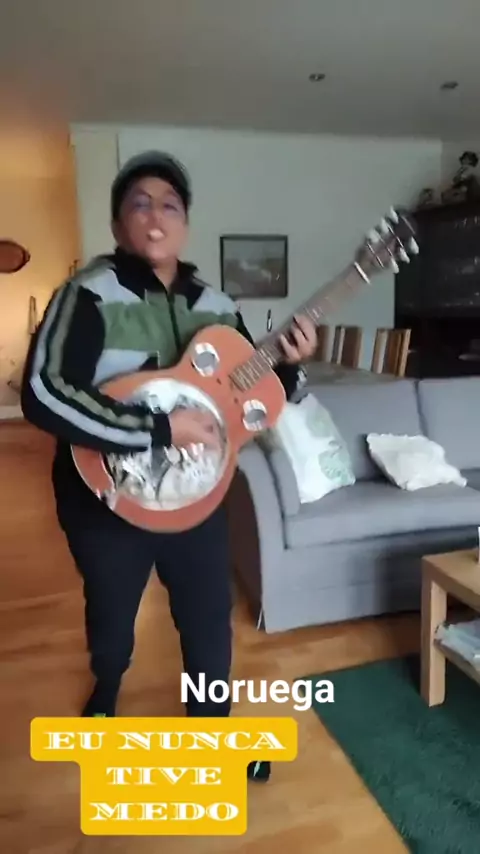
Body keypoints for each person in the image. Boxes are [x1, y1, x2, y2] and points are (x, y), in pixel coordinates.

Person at [20, 151, 317, 783]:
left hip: (198, 496)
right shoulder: (87, 294)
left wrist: (291, 367)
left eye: (171, 205)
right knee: (112, 618)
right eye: (139, 203)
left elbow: (252, 394)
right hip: (105, 500)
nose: (156, 215)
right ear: (117, 223)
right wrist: (157, 428)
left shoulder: (217, 304)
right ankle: (107, 687)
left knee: (208, 618)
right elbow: (44, 393)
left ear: (185, 222)